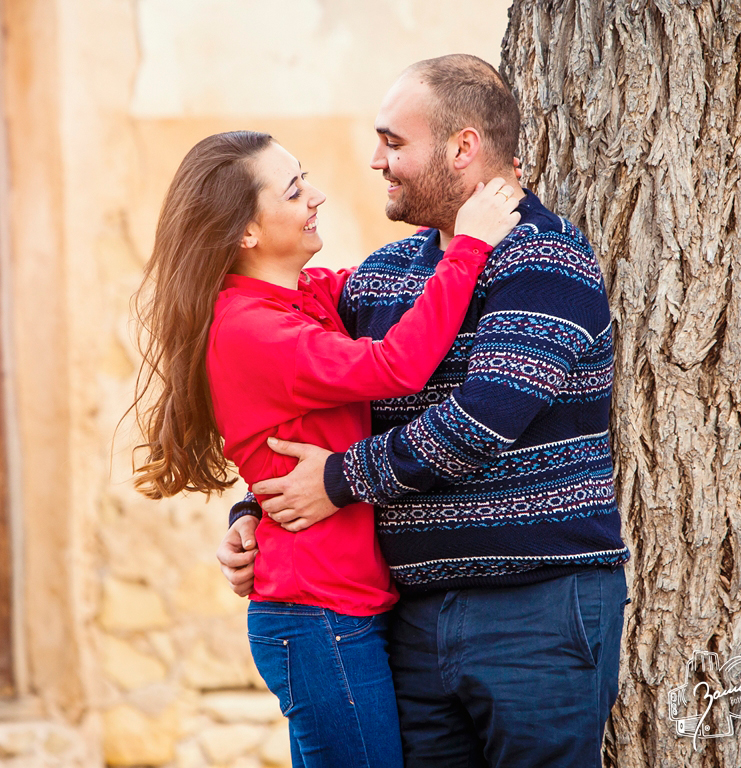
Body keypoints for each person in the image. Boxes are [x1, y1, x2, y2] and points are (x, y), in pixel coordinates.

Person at [219, 55, 631, 768]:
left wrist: (339, 481)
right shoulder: (383, 276)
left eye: (394, 142)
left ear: (463, 148)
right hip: (409, 619)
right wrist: (259, 508)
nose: (376, 161)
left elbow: (480, 423)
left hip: (536, 612)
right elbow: (303, 401)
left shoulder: (543, 261)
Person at [129, 129, 520, 767]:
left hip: (345, 608)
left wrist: (247, 512)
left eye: (304, 176)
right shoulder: (253, 329)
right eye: (293, 190)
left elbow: (395, 295)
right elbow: (398, 365)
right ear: (246, 233)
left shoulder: (304, 296)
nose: (317, 195)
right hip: (318, 618)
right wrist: (471, 242)